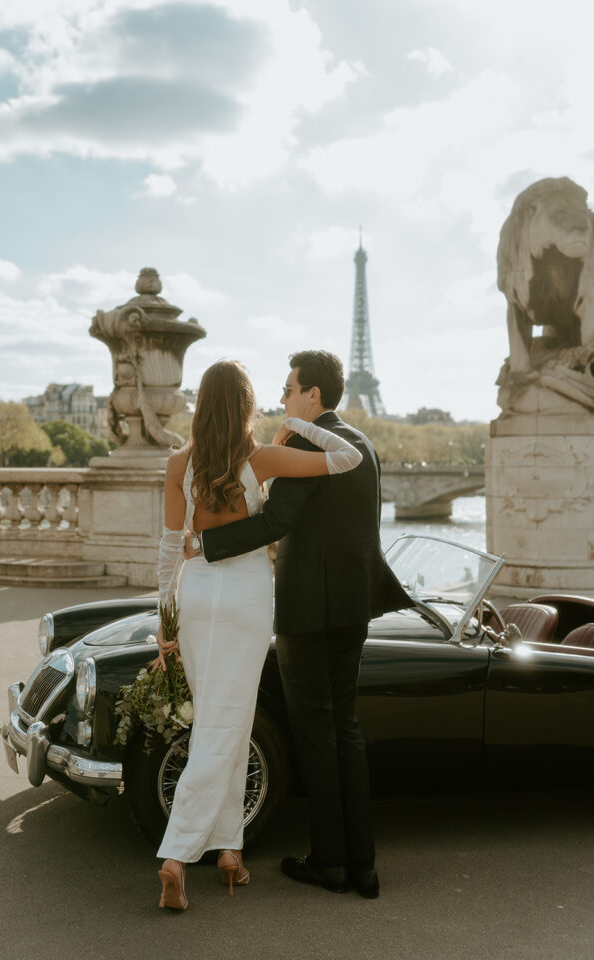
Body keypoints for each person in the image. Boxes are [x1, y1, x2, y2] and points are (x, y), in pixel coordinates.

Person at [194, 350, 411, 897]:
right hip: (354, 603)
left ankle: (329, 861)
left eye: (290, 390)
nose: (283, 399)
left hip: (307, 609)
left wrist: (206, 545)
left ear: (313, 395)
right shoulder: (362, 445)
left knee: (315, 733)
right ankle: (363, 864)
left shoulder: (306, 444)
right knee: (346, 728)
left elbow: (275, 522)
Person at [154, 359, 363, 911]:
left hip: (197, 595)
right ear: (247, 405)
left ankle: (228, 850)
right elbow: (348, 456)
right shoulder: (261, 458)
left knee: (218, 719)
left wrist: (163, 616)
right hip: (247, 595)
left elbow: (169, 549)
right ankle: (178, 854)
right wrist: (297, 429)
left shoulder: (179, 463)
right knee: (231, 719)